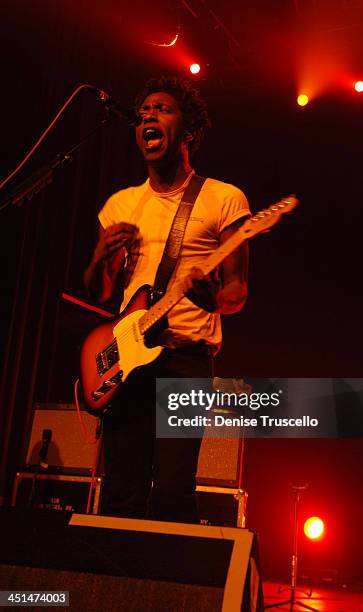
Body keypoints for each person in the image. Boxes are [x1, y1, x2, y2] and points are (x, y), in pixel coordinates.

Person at [83, 76, 250, 522]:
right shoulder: (121, 203)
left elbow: (237, 291)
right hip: (128, 357)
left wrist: (213, 299)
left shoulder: (224, 199)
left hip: (186, 357)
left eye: (161, 109)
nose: (148, 117)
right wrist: (100, 260)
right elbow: (100, 293)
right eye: (142, 113)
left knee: (174, 491)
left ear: (189, 132)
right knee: (121, 490)